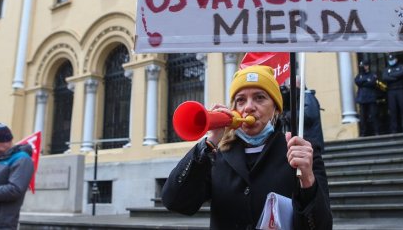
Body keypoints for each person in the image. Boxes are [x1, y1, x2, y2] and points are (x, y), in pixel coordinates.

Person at [162, 65, 332, 229]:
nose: (249, 107)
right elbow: (175, 202)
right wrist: (210, 141)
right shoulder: (215, 155)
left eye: (259, 97)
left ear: (276, 109)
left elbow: (322, 225)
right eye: (241, 100)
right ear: (234, 109)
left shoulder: (299, 153)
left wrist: (308, 179)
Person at [280, 76, 325, 153]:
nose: (290, 89)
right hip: (305, 141)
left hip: (310, 141)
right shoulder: (299, 98)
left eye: (291, 86)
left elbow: (308, 115)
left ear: (300, 85)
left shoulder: (307, 97)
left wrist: (287, 115)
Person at [382, 53, 403, 133]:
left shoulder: (401, 66)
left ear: (396, 59)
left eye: (392, 59)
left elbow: (402, 73)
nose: (391, 61)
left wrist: (391, 76)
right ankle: (395, 129)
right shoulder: (386, 69)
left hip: (400, 89)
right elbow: (385, 77)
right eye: (390, 60)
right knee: (393, 110)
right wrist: (396, 77)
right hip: (391, 91)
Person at [354, 59, 380, 136]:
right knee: (363, 117)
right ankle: (363, 133)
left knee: (374, 115)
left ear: (367, 66)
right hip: (362, 99)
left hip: (371, 98)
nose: (362, 67)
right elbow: (357, 81)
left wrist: (363, 82)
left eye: (363, 66)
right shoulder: (359, 75)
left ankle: (376, 132)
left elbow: (372, 82)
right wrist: (366, 80)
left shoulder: (372, 74)